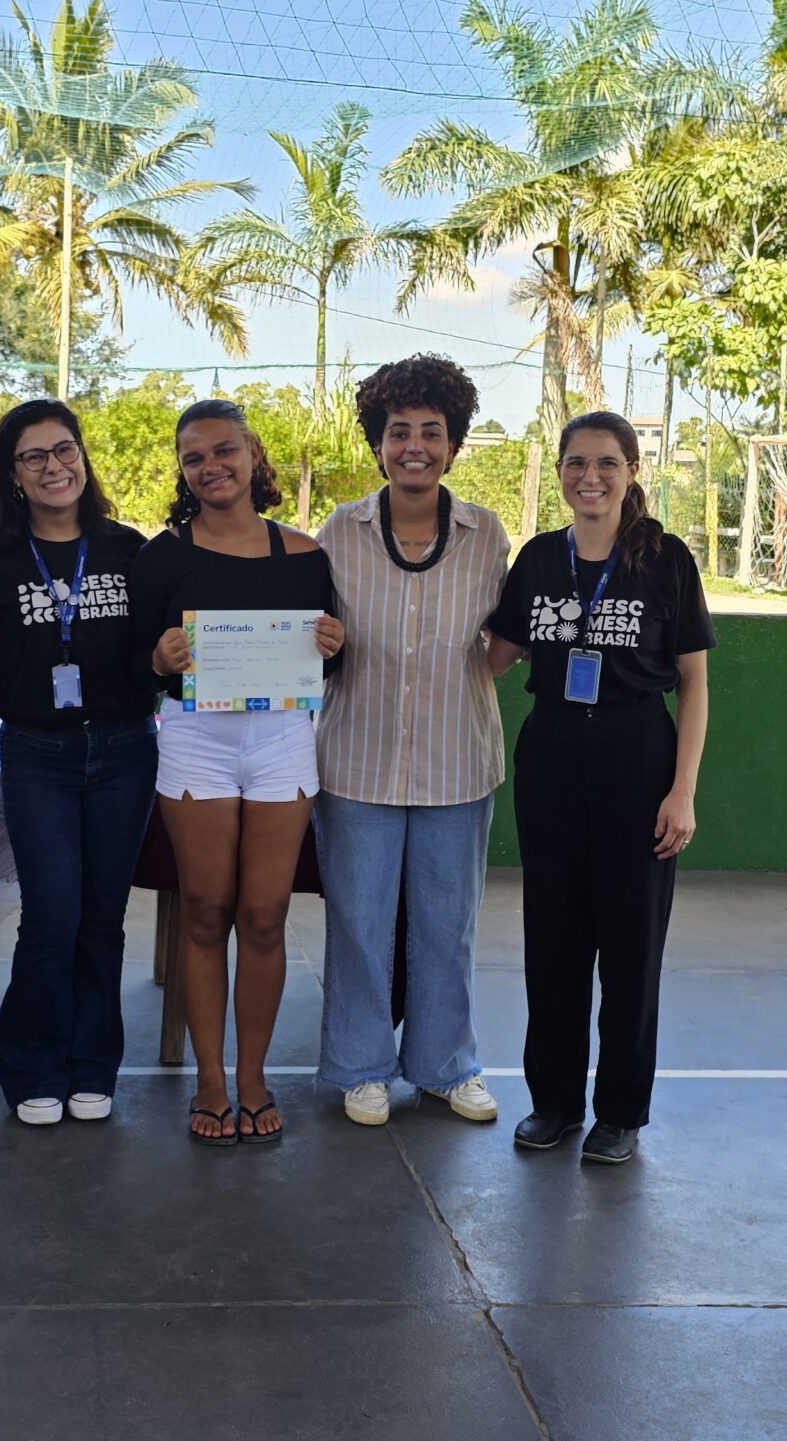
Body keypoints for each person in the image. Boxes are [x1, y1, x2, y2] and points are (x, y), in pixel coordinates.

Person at [485, 410, 712, 1166]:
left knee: (630, 947)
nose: (591, 477)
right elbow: (494, 657)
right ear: (559, 472)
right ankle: (553, 1102)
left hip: (636, 753)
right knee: (552, 941)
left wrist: (682, 789)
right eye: (576, 463)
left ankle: (619, 1112)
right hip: (552, 752)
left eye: (607, 462)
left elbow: (693, 683)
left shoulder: (666, 560)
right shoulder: (538, 559)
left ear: (632, 471)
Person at [130, 398, 344, 1145]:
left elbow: (324, 664)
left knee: (263, 915)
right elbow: (135, 663)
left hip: (283, 739)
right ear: (183, 471)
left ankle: (253, 1077)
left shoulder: (307, 554)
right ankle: (211, 1080)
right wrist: (159, 659)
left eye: (224, 450)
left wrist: (331, 643)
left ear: (254, 454)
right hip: (196, 740)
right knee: (203, 910)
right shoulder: (160, 556)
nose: (211, 466)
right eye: (193, 457)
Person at [313, 355, 510, 1128]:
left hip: (457, 762)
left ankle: (445, 1065)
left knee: (447, 925)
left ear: (453, 445)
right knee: (359, 923)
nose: (415, 446)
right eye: (399, 432)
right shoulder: (340, 530)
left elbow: (501, 645)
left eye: (432, 431)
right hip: (356, 762)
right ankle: (362, 1066)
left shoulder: (485, 535)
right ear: (378, 444)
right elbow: (311, 641)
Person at [0, 400, 155, 1126]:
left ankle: (93, 1065)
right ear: (12, 474)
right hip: (37, 752)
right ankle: (34, 1066)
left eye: (64, 449)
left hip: (125, 747)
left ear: (82, 457)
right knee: (52, 917)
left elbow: (160, 644)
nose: (53, 466)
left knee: (103, 919)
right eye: (34, 456)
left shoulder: (128, 549)